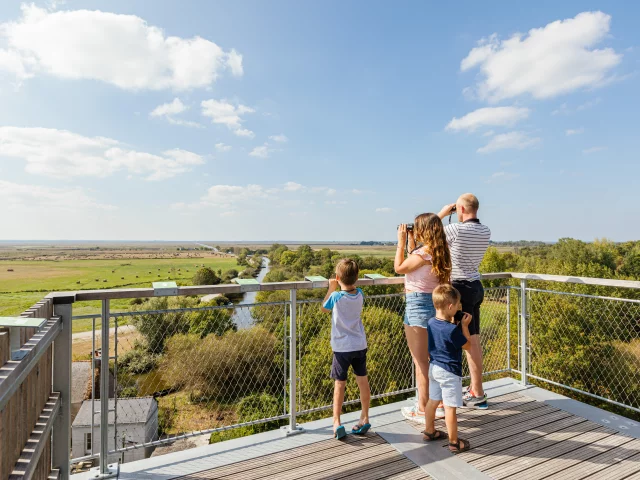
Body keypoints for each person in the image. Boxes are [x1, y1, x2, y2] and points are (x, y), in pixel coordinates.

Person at [395, 214, 452, 423]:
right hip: (435, 305)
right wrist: (411, 242)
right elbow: (416, 261)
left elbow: (400, 267)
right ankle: (438, 405)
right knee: (435, 359)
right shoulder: (440, 253)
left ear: (424, 230)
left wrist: (400, 243)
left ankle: (422, 409)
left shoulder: (424, 253)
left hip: (417, 305)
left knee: (421, 362)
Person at [438, 193, 491, 409]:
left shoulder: (455, 229)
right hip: (476, 287)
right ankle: (477, 391)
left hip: (459, 289)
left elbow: (428, 233)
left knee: (459, 342)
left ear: (460, 209)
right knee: (474, 340)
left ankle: (460, 394)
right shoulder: (486, 230)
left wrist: (442, 213)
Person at [321, 258, 371, 439]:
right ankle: (364, 417)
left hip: (342, 347)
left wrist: (331, 287)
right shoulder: (360, 294)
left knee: (340, 384)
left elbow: (324, 308)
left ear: (337, 277)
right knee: (362, 381)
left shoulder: (336, 296)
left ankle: (336, 422)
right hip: (359, 344)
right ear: (356, 278)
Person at [422, 284, 472, 454]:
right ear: (450, 307)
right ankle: (454, 442)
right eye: (457, 305)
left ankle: (429, 431)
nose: (459, 307)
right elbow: (467, 345)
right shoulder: (452, 330)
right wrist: (464, 327)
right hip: (450, 372)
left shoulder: (430, 322)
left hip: (434, 367)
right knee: (450, 408)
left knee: (433, 401)